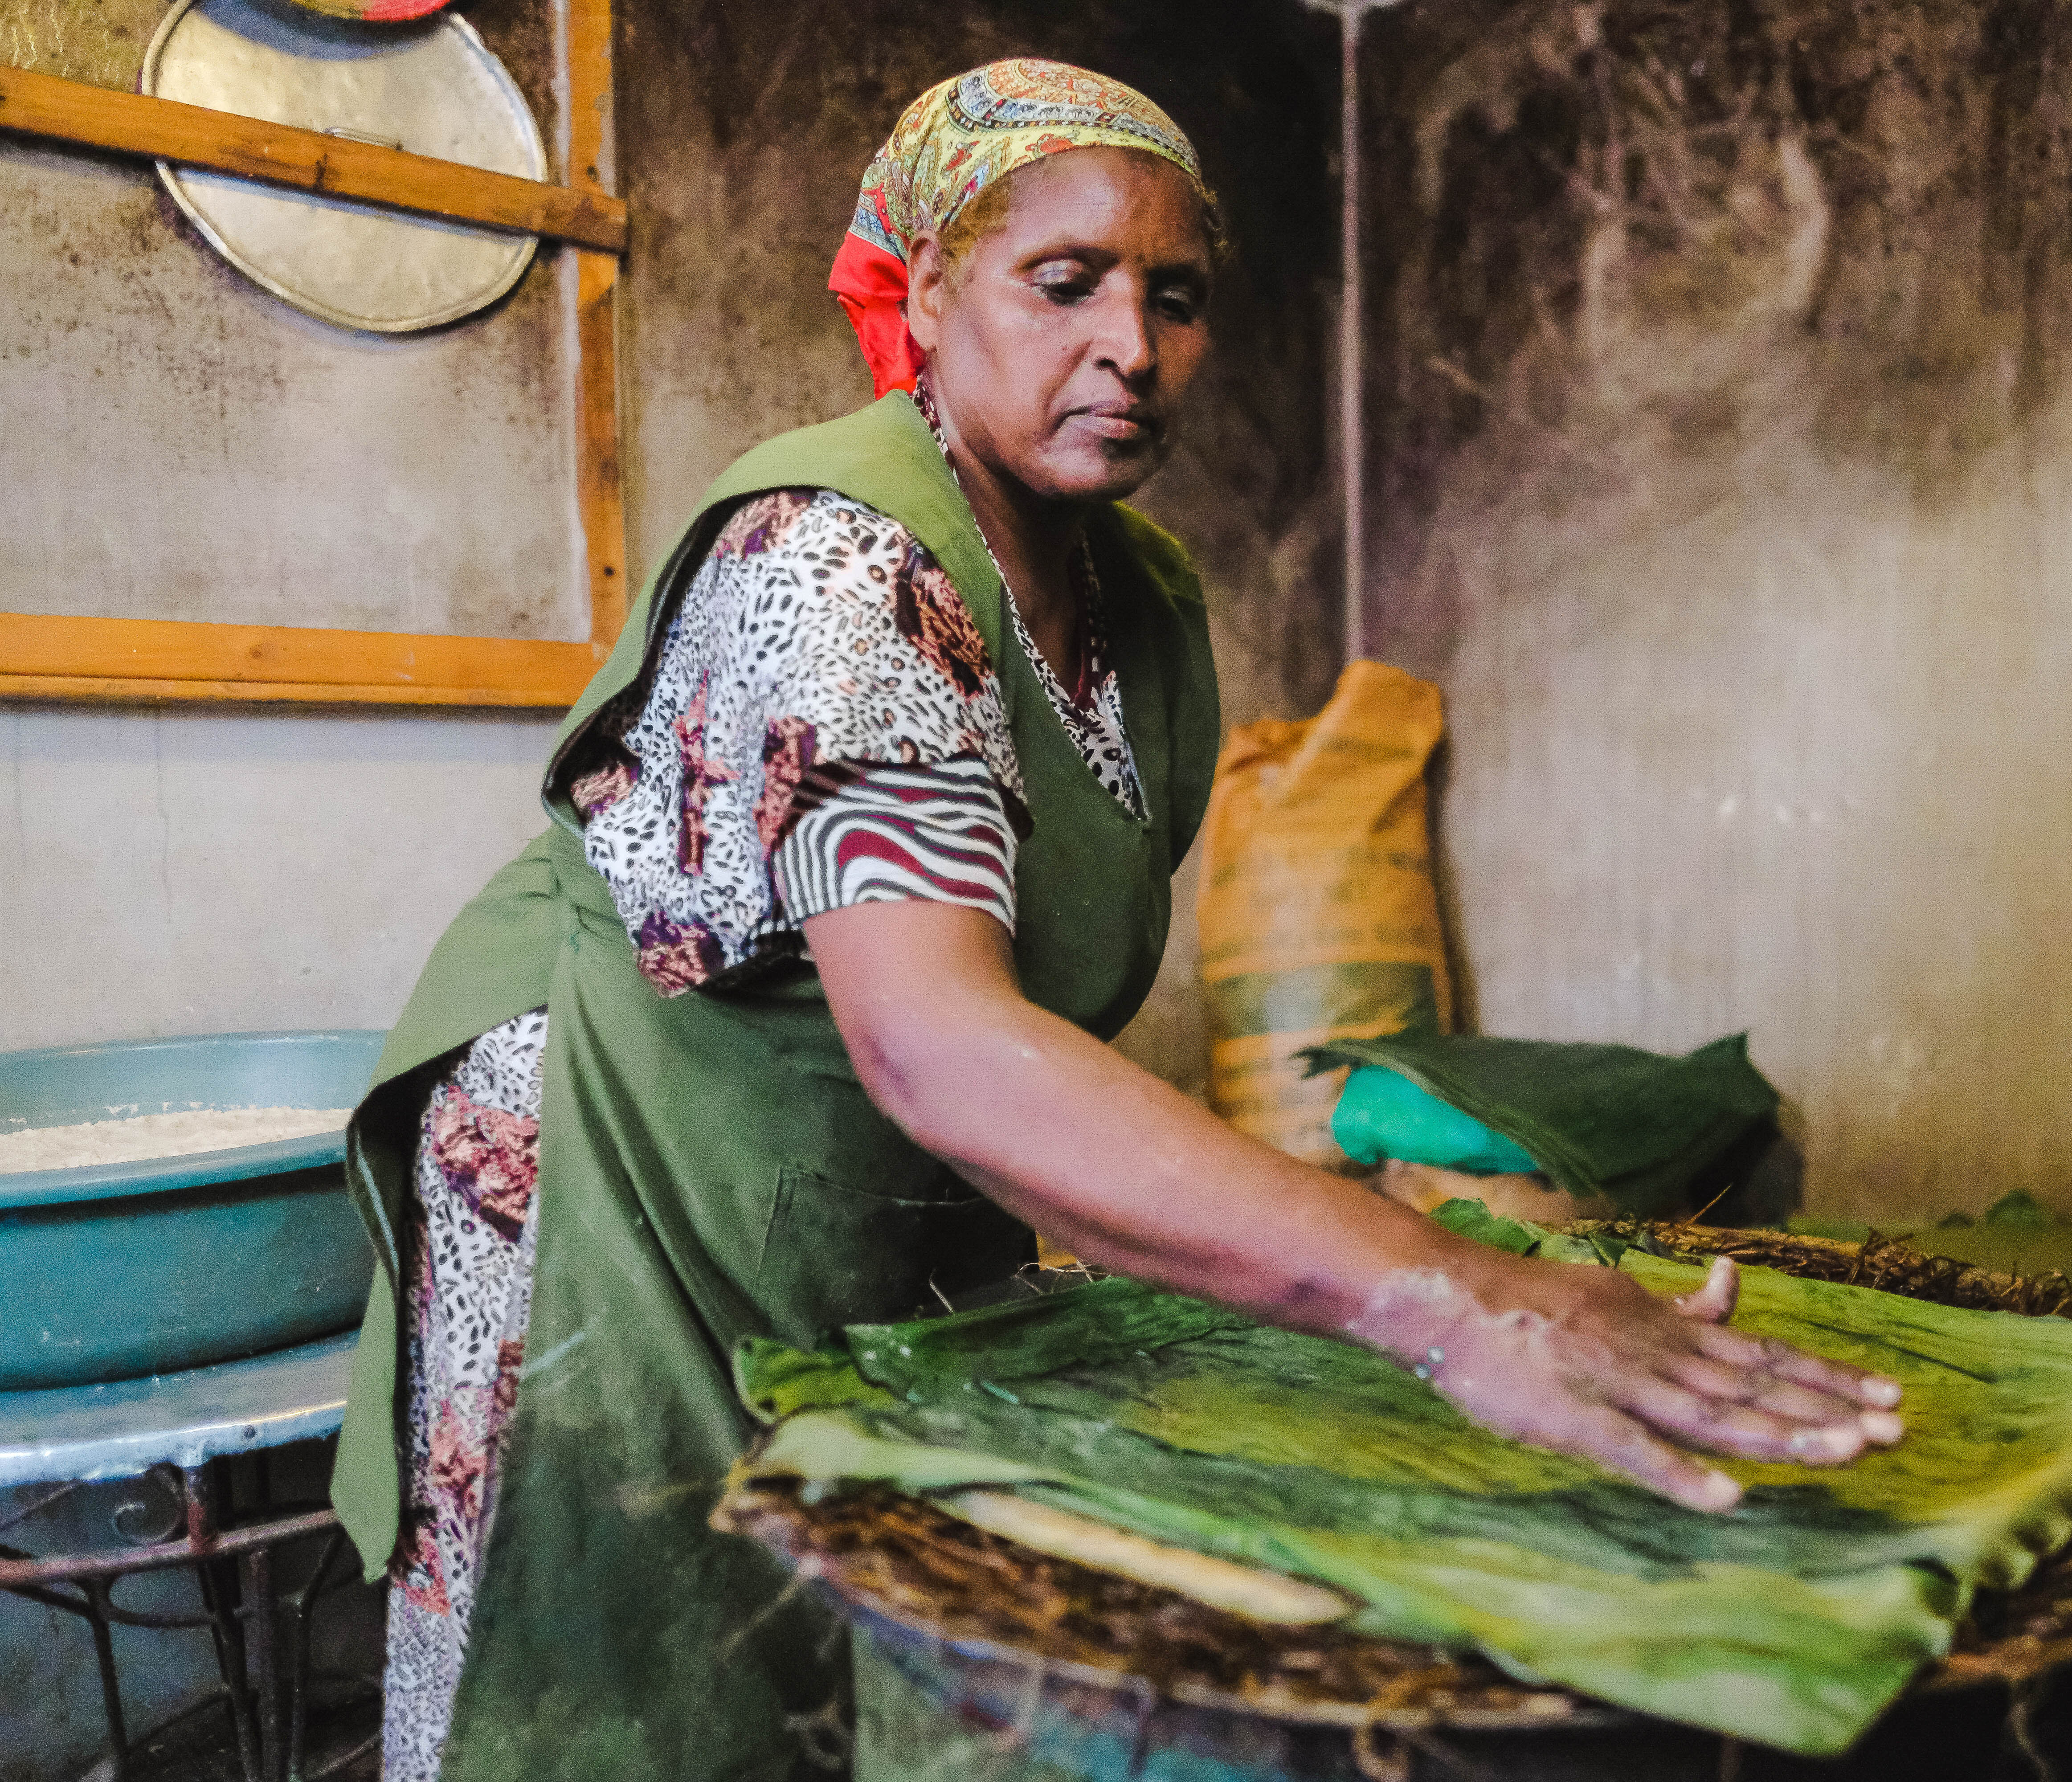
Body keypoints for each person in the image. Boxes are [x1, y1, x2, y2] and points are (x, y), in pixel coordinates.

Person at [329, 58, 1903, 1782]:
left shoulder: (1139, 599)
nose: (1132, 349)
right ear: (926, 294)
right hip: (608, 1175)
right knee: (621, 1655)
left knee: (845, 1657)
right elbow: (940, 1041)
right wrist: (1449, 1302)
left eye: (1176, 297)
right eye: (1063, 283)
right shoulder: (836, 566)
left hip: (830, 1178)